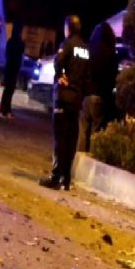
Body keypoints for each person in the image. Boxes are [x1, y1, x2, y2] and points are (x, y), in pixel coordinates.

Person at [40, 15, 90, 190]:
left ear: (68, 28)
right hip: (77, 100)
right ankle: (66, 179)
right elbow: (87, 75)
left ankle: (55, 176)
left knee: (60, 139)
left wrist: (60, 76)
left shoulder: (67, 44)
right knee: (70, 140)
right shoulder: (85, 48)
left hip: (64, 97)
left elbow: (58, 62)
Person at [79, 21, 116, 152]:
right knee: (96, 131)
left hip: (86, 95)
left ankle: (79, 160)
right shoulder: (111, 54)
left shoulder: (89, 50)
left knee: (82, 129)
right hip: (100, 96)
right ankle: (92, 157)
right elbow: (112, 78)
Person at [0, 27, 24, 119]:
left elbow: (7, 54)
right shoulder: (20, 43)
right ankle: (5, 109)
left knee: (8, 90)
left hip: (9, 68)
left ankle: (5, 109)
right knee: (9, 91)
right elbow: (20, 54)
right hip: (13, 69)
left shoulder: (10, 41)